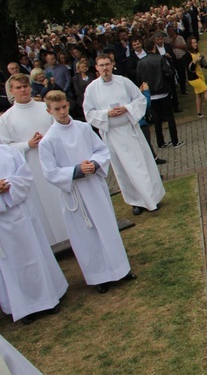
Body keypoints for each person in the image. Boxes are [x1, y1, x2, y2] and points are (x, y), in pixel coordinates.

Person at [39, 91, 137, 294]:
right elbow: (50, 172)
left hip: (94, 187)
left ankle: (121, 269)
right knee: (86, 236)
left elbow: (102, 150)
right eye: (56, 109)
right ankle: (99, 276)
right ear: (49, 111)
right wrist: (76, 170)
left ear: (68, 105)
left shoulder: (83, 128)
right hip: (74, 193)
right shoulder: (48, 141)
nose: (62, 112)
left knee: (107, 227)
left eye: (64, 107)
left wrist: (93, 164)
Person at [83, 55, 165, 215]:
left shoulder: (124, 82)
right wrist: (107, 113)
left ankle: (151, 198)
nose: (105, 68)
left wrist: (126, 108)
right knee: (122, 170)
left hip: (129, 131)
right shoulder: (92, 89)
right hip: (111, 135)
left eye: (107, 64)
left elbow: (140, 100)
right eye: (101, 65)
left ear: (112, 65)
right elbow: (88, 113)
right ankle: (136, 202)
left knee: (140, 166)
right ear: (96, 68)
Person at [0, 144, 68, 324]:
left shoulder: (8, 152)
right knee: (11, 266)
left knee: (35, 255)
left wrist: (8, 186)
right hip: (1, 223)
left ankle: (49, 298)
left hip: (22, 213)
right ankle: (24, 307)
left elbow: (26, 176)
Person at [0, 74, 68, 246]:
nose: (23, 90)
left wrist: (49, 139)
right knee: (42, 205)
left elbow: (61, 127)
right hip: (30, 165)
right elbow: (5, 148)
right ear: (11, 91)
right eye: (18, 87)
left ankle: (70, 232)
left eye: (25, 86)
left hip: (53, 161)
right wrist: (27, 144)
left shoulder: (44, 108)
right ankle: (50, 241)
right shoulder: (6, 118)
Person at [136, 39, 183, 149]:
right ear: (154, 47)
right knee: (170, 117)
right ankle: (175, 141)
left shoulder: (141, 62)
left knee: (157, 119)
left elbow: (139, 78)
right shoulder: (161, 59)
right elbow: (168, 73)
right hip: (163, 91)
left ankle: (160, 142)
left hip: (150, 94)